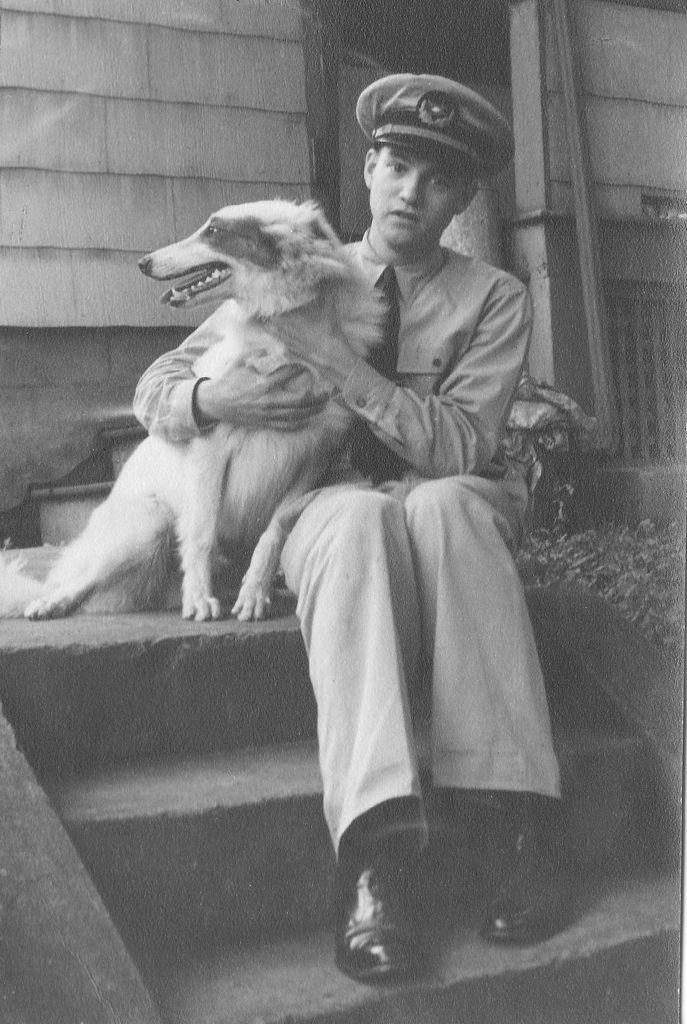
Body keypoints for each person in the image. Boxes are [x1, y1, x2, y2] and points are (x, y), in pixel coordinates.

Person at [133, 73, 568, 982]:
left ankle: (513, 826)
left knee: (440, 503)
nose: (412, 192)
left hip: (448, 499)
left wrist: (343, 369)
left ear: (461, 199)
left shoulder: (492, 297)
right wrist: (215, 395)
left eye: (438, 180)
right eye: (397, 165)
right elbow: (157, 389)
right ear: (368, 169)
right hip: (328, 502)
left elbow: (456, 444)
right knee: (359, 518)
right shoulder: (289, 271)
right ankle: (376, 856)